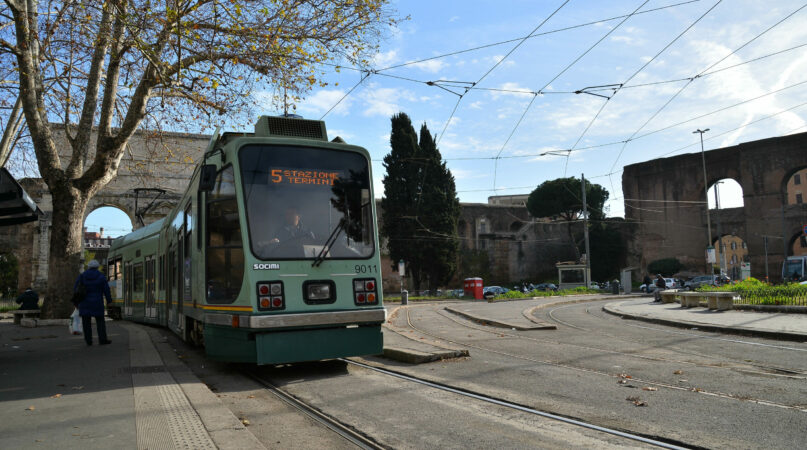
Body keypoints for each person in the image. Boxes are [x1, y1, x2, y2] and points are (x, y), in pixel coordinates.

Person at [74, 260, 112, 346]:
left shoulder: (82, 276)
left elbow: (76, 288)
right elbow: (106, 290)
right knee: (100, 322)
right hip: (97, 302)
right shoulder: (101, 276)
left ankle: (89, 341)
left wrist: (76, 302)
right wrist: (109, 301)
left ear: (88, 267)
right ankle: (102, 339)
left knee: (86, 323)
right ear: (97, 267)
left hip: (84, 302)